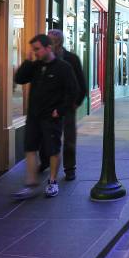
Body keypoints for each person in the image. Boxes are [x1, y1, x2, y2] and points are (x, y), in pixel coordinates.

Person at [12, 34, 79, 199]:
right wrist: (27, 61)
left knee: (53, 149)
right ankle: (31, 183)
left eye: (37, 49)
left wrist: (60, 110)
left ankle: (52, 181)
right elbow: (19, 79)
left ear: (48, 48)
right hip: (34, 116)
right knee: (30, 148)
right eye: (33, 50)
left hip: (51, 117)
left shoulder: (63, 67)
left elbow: (73, 91)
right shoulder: (35, 66)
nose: (35, 52)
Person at [38, 29, 87, 181]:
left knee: (69, 139)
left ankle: (69, 168)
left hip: (67, 106)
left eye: (49, 40)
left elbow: (81, 85)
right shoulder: (43, 59)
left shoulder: (71, 59)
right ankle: (45, 161)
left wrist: (75, 103)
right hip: (48, 107)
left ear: (57, 42)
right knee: (46, 136)